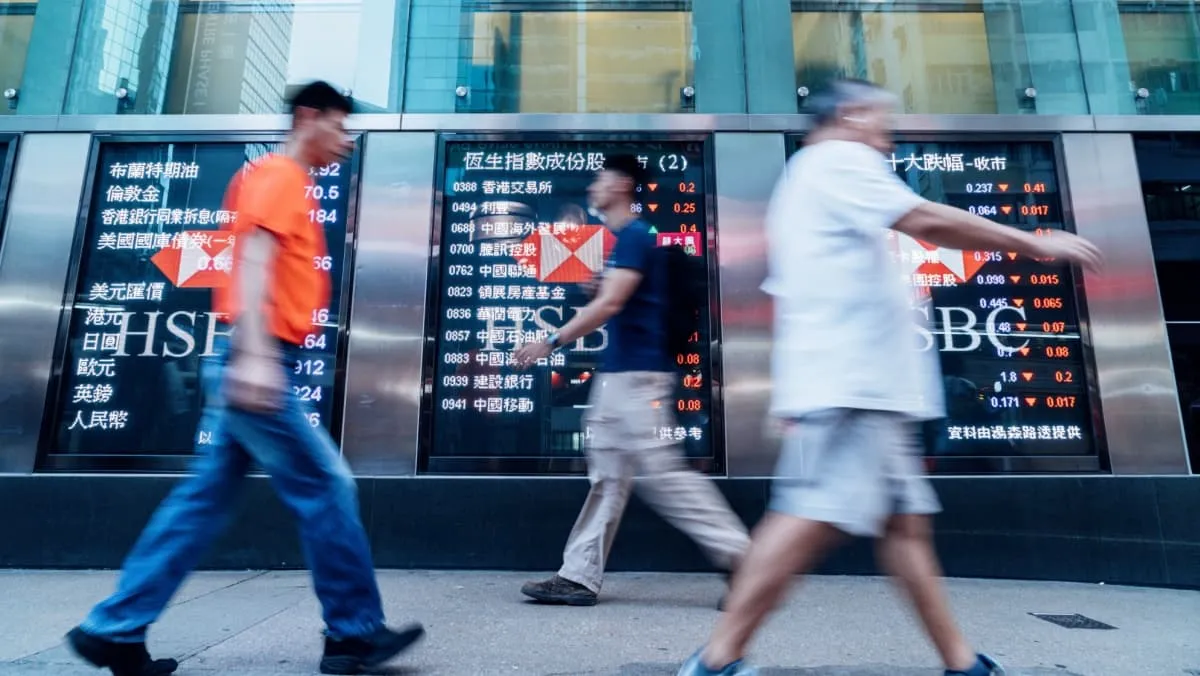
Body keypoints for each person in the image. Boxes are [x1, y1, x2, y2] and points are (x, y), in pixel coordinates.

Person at [676, 80, 1104, 676]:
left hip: (864, 385)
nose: (889, 132)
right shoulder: (836, 161)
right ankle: (717, 658)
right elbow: (925, 218)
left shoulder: (812, 173)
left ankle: (962, 663)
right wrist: (1031, 242)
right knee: (809, 517)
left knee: (903, 530)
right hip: (856, 385)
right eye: (881, 117)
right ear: (850, 115)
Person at [65, 81, 424, 676]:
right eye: (339, 125)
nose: (347, 140)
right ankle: (354, 633)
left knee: (202, 500)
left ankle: (115, 629)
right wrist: (256, 355)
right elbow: (254, 258)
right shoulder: (282, 175)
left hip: (246, 354)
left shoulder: (276, 178)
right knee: (328, 486)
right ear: (309, 117)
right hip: (257, 356)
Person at [514, 154, 750, 607]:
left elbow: (610, 306)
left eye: (600, 178)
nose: (592, 187)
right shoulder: (628, 241)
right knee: (608, 472)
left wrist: (550, 342)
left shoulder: (637, 237)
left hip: (637, 379)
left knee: (662, 476)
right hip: (622, 376)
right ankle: (579, 575)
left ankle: (743, 559)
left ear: (621, 184)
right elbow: (616, 298)